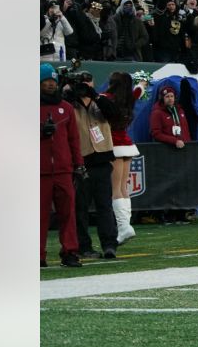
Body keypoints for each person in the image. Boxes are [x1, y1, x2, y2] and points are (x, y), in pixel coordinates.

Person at [41, 64, 84, 269]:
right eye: (46, 81)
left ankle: (70, 252)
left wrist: (79, 164)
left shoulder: (66, 108)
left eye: (52, 81)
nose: (50, 84)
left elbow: (74, 139)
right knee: (38, 215)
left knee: (67, 214)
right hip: (39, 171)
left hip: (63, 170)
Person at [71, 78, 119, 259]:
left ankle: (109, 245)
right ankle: (83, 246)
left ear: (93, 83)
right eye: (81, 83)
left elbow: (114, 114)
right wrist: (69, 94)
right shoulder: (70, 103)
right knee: (80, 208)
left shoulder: (101, 100)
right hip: (80, 162)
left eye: (88, 82)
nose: (84, 86)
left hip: (101, 160)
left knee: (104, 206)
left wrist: (95, 96)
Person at [102, 71, 143, 245]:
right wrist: (142, 82)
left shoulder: (106, 98)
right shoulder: (130, 98)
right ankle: (125, 226)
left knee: (115, 189)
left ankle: (123, 227)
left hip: (114, 145)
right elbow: (140, 89)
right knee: (123, 188)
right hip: (127, 144)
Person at [148, 82, 191, 225]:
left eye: (172, 96)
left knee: (182, 183)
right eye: (167, 96)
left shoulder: (180, 110)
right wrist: (173, 141)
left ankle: (181, 213)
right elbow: (156, 133)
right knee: (168, 184)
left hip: (183, 153)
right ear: (162, 98)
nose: (170, 99)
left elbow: (185, 130)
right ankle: (166, 214)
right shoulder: (157, 113)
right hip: (167, 153)